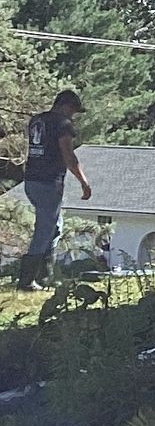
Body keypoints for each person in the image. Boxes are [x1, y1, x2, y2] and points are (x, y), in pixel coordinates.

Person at [17, 89, 91, 290]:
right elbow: (69, 156)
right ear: (66, 105)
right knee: (44, 230)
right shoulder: (62, 124)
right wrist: (84, 182)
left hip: (31, 180)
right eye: (73, 111)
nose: (73, 116)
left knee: (55, 226)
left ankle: (44, 277)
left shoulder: (37, 120)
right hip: (49, 183)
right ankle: (27, 281)